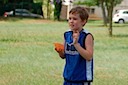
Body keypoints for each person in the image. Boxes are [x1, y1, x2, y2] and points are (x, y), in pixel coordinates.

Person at [55, 6, 94, 85]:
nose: (71, 21)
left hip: (81, 78)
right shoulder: (67, 34)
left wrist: (76, 44)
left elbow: (89, 57)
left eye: (75, 19)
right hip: (68, 77)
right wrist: (60, 51)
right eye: (70, 19)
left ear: (83, 21)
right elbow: (64, 56)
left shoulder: (87, 36)